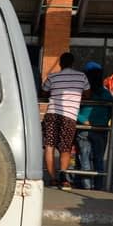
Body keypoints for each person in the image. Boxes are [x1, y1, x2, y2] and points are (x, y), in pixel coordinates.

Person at [41, 52, 90, 189]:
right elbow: (87, 93)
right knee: (65, 147)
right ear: (73, 63)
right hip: (69, 115)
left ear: (60, 64)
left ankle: (53, 178)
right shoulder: (81, 76)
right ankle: (64, 178)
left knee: (49, 147)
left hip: (51, 114)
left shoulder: (52, 76)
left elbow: (44, 92)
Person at [74, 62, 113, 190]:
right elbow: (111, 112)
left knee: (84, 158)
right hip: (101, 129)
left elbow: (74, 109)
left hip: (83, 128)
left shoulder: (83, 92)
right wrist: (102, 120)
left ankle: (86, 186)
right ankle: (99, 186)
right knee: (99, 158)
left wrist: (83, 120)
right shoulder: (106, 94)